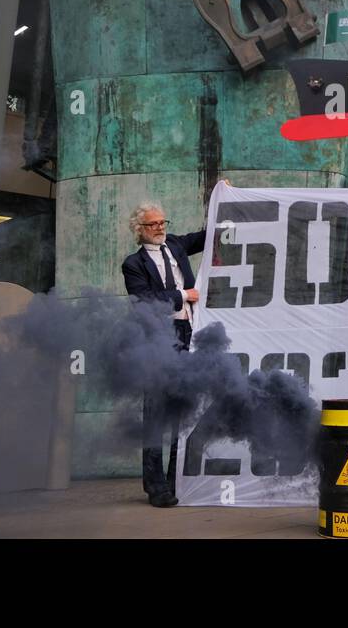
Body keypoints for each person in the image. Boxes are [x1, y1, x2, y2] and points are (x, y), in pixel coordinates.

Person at [121, 199, 209, 507]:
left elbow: (206, 235)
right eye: (153, 224)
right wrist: (185, 294)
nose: (159, 228)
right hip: (158, 340)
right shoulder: (133, 263)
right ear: (139, 229)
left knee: (180, 412)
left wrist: (222, 197)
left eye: (162, 222)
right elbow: (147, 302)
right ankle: (155, 487)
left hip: (188, 334)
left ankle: (175, 482)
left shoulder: (175, 244)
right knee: (157, 415)